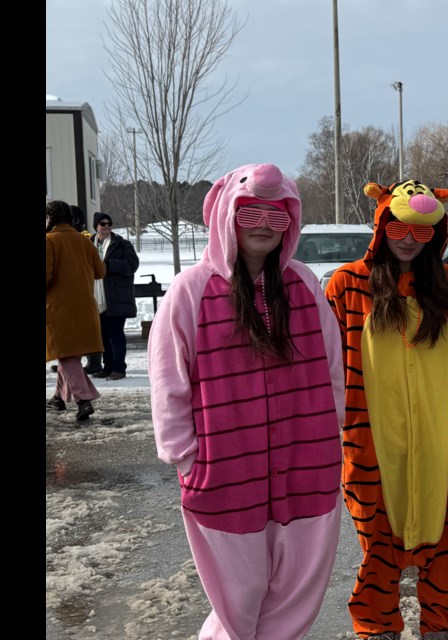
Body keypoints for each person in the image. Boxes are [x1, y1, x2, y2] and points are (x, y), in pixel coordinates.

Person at [147, 163, 346, 639]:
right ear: (225, 215)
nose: (262, 225)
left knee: (297, 591)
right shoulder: (191, 290)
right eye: (250, 212)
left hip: (305, 466)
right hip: (225, 470)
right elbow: (168, 377)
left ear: (290, 224)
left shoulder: (303, 286)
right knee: (238, 596)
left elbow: (332, 365)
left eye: (277, 216)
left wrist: (330, 432)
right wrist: (185, 456)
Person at [324, 179, 448, 640]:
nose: (409, 239)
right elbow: (328, 366)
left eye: (423, 232)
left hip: (441, 437)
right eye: (399, 228)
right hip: (370, 438)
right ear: (381, 225)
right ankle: (376, 628)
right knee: (378, 543)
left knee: (446, 538)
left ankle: (440, 628)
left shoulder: (446, 283)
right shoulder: (348, 283)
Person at [46, 200, 106, 421]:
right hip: (85, 310)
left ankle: (83, 400)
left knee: (66, 357)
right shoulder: (84, 241)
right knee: (69, 357)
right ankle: (59, 398)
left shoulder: (49, 241)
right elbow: (100, 271)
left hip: (59, 311)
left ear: (50, 218)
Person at [90, 211, 139, 380]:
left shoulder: (122, 244)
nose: (106, 227)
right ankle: (108, 366)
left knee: (115, 333)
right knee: (103, 335)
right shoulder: (88, 243)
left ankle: (119, 368)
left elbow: (132, 265)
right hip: (96, 297)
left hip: (116, 297)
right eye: (102, 224)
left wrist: (108, 265)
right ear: (95, 226)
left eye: (109, 224)